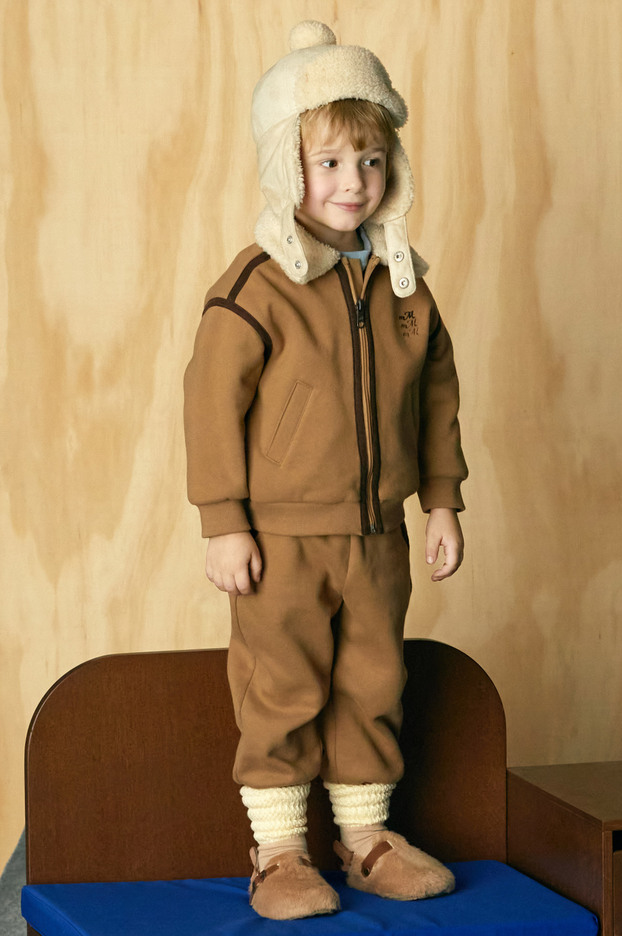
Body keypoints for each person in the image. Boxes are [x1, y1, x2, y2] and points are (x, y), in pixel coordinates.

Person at [183, 20, 468, 921]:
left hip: (378, 533)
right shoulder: (258, 285)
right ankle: (279, 853)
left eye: (372, 162)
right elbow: (209, 402)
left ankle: (366, 839)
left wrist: (443, 502)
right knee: (283, 684)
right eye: (331, 163)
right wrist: (224, 520)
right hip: (281, 539)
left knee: (374, 683)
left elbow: (435, 396)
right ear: (287, 167)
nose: (355, 183)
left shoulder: (404, 285)